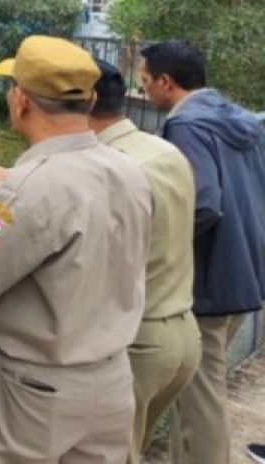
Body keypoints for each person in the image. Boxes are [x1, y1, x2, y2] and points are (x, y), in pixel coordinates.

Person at [0, 35, 152, 464]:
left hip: (33, 397)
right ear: (90, 100)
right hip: (110, 381)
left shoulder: (25, 192)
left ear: (20, 100)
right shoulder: (128, 170)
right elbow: (62, 208)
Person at [138, 41, 265, 464]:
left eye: (145, 81)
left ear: (165, 82)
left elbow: (202, 201)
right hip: (244, 269)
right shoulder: (240, 120)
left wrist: (158, 249)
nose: (143, 92)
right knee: (203, 388)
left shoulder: (187, 127)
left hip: (208, 278)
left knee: (199, 397)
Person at [88, 58, 201, 463]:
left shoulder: (108, 168)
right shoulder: (162, 151)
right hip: (181, 333)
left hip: (136, 342)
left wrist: (2, 196)